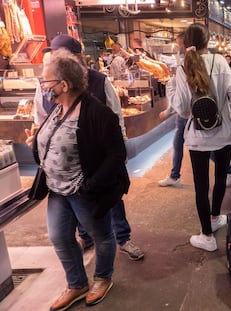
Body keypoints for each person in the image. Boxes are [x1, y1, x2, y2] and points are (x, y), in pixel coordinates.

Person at [25, 48, 129, 310]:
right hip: (57, 190)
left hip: (84, 192)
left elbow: (117, 155)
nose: (43, 86)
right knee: (59, 237)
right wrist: (36, 143)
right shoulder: (56, 109)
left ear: (63, 84)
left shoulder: (97, 113)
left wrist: (90, 187)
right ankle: (77, 283)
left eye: (46, 81)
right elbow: (50, 142)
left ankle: (103, 278)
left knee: (102, 236)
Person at [33, 34, 144, 261]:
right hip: (63, 170)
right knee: (75, 217)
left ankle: (123, 237)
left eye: (63, 55)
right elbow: (42, 118)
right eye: (55, 55)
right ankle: (86, 237)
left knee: (109, 200)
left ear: (77, 57)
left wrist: (120, 149)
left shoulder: (99, 82)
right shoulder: (46, 85)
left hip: (96, 158)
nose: (58, 59)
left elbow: (115, 116)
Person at [166, 23, 231, 251]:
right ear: (208, 41)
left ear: (185, 43)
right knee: (221, 178)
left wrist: (170, 87)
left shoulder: (183, 69)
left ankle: (207, 235)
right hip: (223, 134)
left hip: (197, 138)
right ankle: (215, 217)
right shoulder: (221, 61)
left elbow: (182, 109)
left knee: (201, 187)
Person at [158, 31, 187, 187]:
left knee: (201, 150)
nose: (178, 45)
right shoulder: (186, 60)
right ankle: (174, 176)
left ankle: (229, 170)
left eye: (179, 42)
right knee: (179, 145)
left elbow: (181, 95)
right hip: (187, 114)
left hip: (185, 115)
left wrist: (169, 110)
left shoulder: (186, 63)